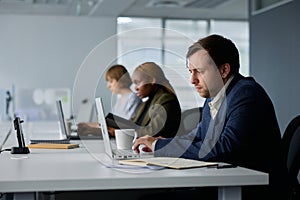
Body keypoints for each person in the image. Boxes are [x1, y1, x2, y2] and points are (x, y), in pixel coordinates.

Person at [133, 35, 291, 199]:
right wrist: (163, 142)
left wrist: (160, 146)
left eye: (199, 72)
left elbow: (225, 148)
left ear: (223, 70)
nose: (192, 80)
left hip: (253, 192)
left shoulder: (246, 94)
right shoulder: (214, 94)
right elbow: (199, 134)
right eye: (190, 72)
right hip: (225, 183)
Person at [109, 62, 181, 138]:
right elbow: (132, 124)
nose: (135, 88)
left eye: (138, 83)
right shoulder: (146, 102)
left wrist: (124, 132)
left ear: (152, 80)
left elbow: (153, 131)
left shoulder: (167, 100)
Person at [77, 64, 141, 136]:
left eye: (111, 81)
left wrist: (94, 129)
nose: (108, 86)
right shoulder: (120, 99)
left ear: (121, 79)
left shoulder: (133, 98)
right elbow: (108, 123)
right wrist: (88, 125)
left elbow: (124, 127)